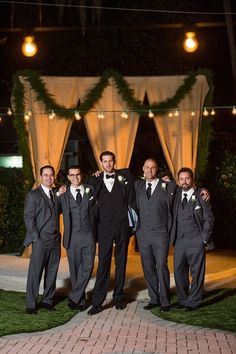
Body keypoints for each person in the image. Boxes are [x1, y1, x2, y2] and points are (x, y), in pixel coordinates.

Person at [87, 151, 136, 315]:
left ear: (115, 161)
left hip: (122, 225)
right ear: (101, 163)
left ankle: (119, 298)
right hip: (104, 227)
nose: (107, 164)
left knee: (121, 262)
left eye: (110, 161)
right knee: (103, 263)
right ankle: (97, 302)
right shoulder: (94, 179)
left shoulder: (125, 175)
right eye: (104, 161)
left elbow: (139, 188)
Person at [170, 167, 214, 311]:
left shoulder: (201, 195)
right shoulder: (176, 194)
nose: (184, 181)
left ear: (192, 179)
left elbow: (209, 218)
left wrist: (204, 239)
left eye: (187, 178)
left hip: (196, 240)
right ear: (178, 180)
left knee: (196, 273)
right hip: (179, 241)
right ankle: (183, 300)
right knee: (178, 272)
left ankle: (194, 302)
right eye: (181, 179)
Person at [135, 158, 176, 311]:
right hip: (143, 234)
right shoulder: (137, 185)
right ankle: (154, 298)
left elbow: (186, 189)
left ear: (157, 169)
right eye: (147, 167)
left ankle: (165, 300)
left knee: (161, 265)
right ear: (143, 169)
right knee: (148, 267)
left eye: (153, 167)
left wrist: (203, 191)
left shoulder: (168, 185)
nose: (150, 170)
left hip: (160, 234)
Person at [58, 165, 96, 311]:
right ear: (68, 177)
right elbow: (53, 208)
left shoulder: (90, 190)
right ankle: (79, 302)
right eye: (72, 175)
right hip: (72, 237)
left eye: (78, 174)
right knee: (75, 270)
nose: (75, 177)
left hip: (88, 236)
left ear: (82, 175)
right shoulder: (63, 194)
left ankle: (73, 296)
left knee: (88, 266)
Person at [24, 165, 61, 314]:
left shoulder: (56, 193)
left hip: (55, 239)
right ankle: (31, 304)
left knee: (52, 272)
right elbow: (28, 218)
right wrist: (36, 238)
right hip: (41, 239)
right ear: (41, 176)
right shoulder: (33, 195)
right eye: (46, 175)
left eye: (51, 175)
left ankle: (47, 301)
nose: (49, 178)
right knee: (35, 272)